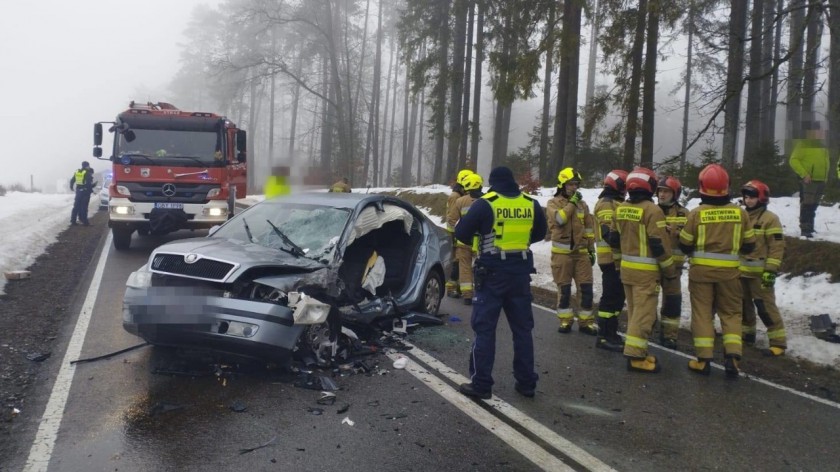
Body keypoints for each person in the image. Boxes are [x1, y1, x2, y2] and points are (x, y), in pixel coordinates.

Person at [454, 166, 547, 399]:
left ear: (493, 183)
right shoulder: (530, 203)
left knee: (485, 329)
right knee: (523, 330)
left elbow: (462, 233)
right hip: (521, 274)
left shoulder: (486, 203)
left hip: (493, 274)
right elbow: (539, 233)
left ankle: (481, 384)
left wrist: (483, 235)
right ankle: (526, 383)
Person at [679, 164, 755, 378]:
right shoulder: (740, 214)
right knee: (731, 314)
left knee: (702, 314)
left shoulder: (696, 214)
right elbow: (750, 245)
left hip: (701, 274)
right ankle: (733, 358)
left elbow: (685, 244)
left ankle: (703, 360)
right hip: (730, 274)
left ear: (702, 186)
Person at [609, 168, 676, 373]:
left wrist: (619, 265)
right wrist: (670, 271)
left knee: (634, 313)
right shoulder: (653, 211)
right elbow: (660, 245)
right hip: (646, 273)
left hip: (627, 271)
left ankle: (635, 348)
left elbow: (613, 240)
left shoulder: (621, 208)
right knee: (644, 315)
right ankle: (636, 356)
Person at [739, 179, 787, 356]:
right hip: (741, 272)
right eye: (746, 196)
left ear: (761, 198)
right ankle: (747, 335)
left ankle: (778, 343)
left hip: (760, 275)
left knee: (765, 307)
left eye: (752, 197)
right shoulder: (741, 215)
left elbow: (777, 247)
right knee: (743, 306)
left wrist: (770, 271)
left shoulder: (770, 219)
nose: (748, 200)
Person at [546, 167, 597, 335]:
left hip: (581, 253)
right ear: (562, 185)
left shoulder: (583, 205)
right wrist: (572, 203)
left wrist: (591, 249)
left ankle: (586, 322)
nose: (574, 188)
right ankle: (565, 321)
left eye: (576, 184)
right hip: (562, 255)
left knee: (586, 288)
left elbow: (589, 228)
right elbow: (560, 219)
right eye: (570, 185)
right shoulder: (553, 203)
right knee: (565, 289)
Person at [593, 169, 628, 352]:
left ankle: (612, 332)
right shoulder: (607, 204)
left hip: (617, 259)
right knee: (610, 297)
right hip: (609, 259)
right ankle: (604, 336)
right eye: (625, 186)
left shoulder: (615, 202)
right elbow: (609, 234)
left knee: (617, 298)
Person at [655, 175, 688, 349]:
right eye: (660, 191)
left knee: (673, 301)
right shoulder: (651, 210)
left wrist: (674, 232)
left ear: (675, 194)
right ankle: (645, 329)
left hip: (674, 268)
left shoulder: (685, 214)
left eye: (666, 191)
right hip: (653, 266)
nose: (662, 195)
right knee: (647, 301)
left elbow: (691, 240)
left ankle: (669, 336)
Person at [447, 172, 484, 305]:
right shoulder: (488, 200)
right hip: (482, 241)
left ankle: (467, 295)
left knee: (464, 267)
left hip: (463, 240)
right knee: (483, 266)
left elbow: (451, 220)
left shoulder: (460, 201)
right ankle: (484, 294)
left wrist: (454, 235)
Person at [789, 121, 829, 238]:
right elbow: (793, 160)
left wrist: (825, 177)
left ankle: (810, 226)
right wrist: (804, 174)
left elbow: (826, 163)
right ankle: (805, 229)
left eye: (820, 130)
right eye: (817, 130)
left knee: (814, 205)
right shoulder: (803, 145)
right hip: (809, 181)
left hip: (820, 180)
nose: (820, 132)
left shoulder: (823, 146)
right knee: (807, 204)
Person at [446, 169, 474, 298]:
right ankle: (451, 288)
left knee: (459, 262)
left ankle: (457, 286)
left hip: (461, 234)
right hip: (455, 235)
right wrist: (454, 237)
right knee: (455, 262)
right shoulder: (455, 197)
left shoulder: (462, 195)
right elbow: (452, 219)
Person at [70, 161, 96, 226]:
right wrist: (92, 190)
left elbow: (72, 180)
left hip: (78, 191)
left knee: (76, 206)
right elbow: (88, 184)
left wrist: (71, 187)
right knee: (84, 207)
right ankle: (85, 222)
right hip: (85, 192)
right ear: (87, 166)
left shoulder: (77, 172)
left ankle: (73, 221)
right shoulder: (87, 173)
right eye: (88, 166)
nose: (89, 167)